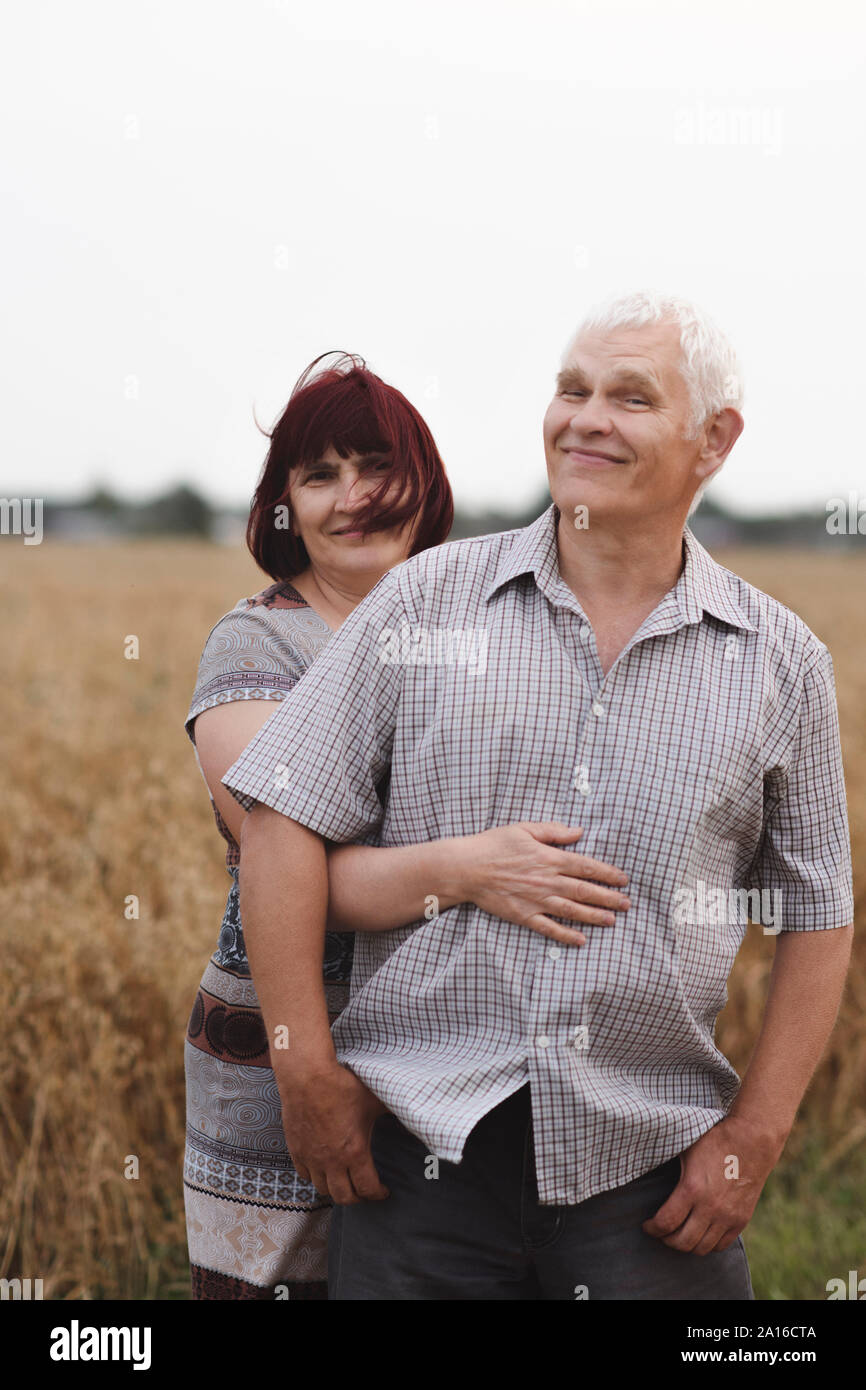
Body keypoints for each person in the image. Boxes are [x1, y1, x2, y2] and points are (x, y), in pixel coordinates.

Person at [221, 293, 854, 1300]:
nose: (585, 418)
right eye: (571, 390)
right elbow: (281, 818)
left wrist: (753, 1133)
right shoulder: (424, 601)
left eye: (629, 397)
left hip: (648, 1189)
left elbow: (815, 912)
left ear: (713, 439)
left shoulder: (780, 663)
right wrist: (302, 1067)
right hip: (416, 1172)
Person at [183, 351, 632, 1299]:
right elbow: (290, 856)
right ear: (284, 510)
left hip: (456, 1055)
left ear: (425, 484)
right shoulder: (258, 641)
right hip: (300, 1038)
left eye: (376, 467)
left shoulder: (487, 633)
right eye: (319, 476)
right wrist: (473, 870)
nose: (354, 497)